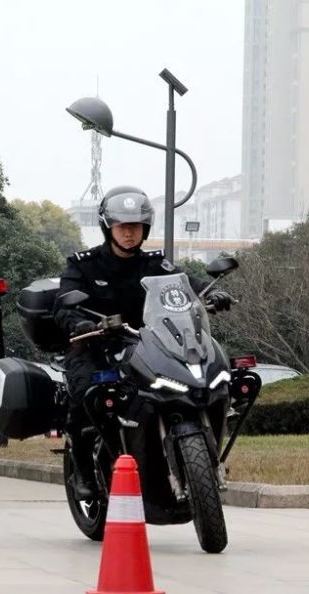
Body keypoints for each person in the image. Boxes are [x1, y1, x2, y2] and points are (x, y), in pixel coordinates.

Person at [52, 185, 233, 499]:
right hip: (97, 345)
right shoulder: (84, 264)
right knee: (87, 395)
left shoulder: (154, 263)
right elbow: (63, 305)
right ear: (109, 227)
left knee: (202, 379)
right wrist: (81, 322)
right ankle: (82, 468)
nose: (129, 233)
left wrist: (209, 293)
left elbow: (184, 284)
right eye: (122, 226)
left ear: (144, 228)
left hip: (147, 343)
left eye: (135, 227)